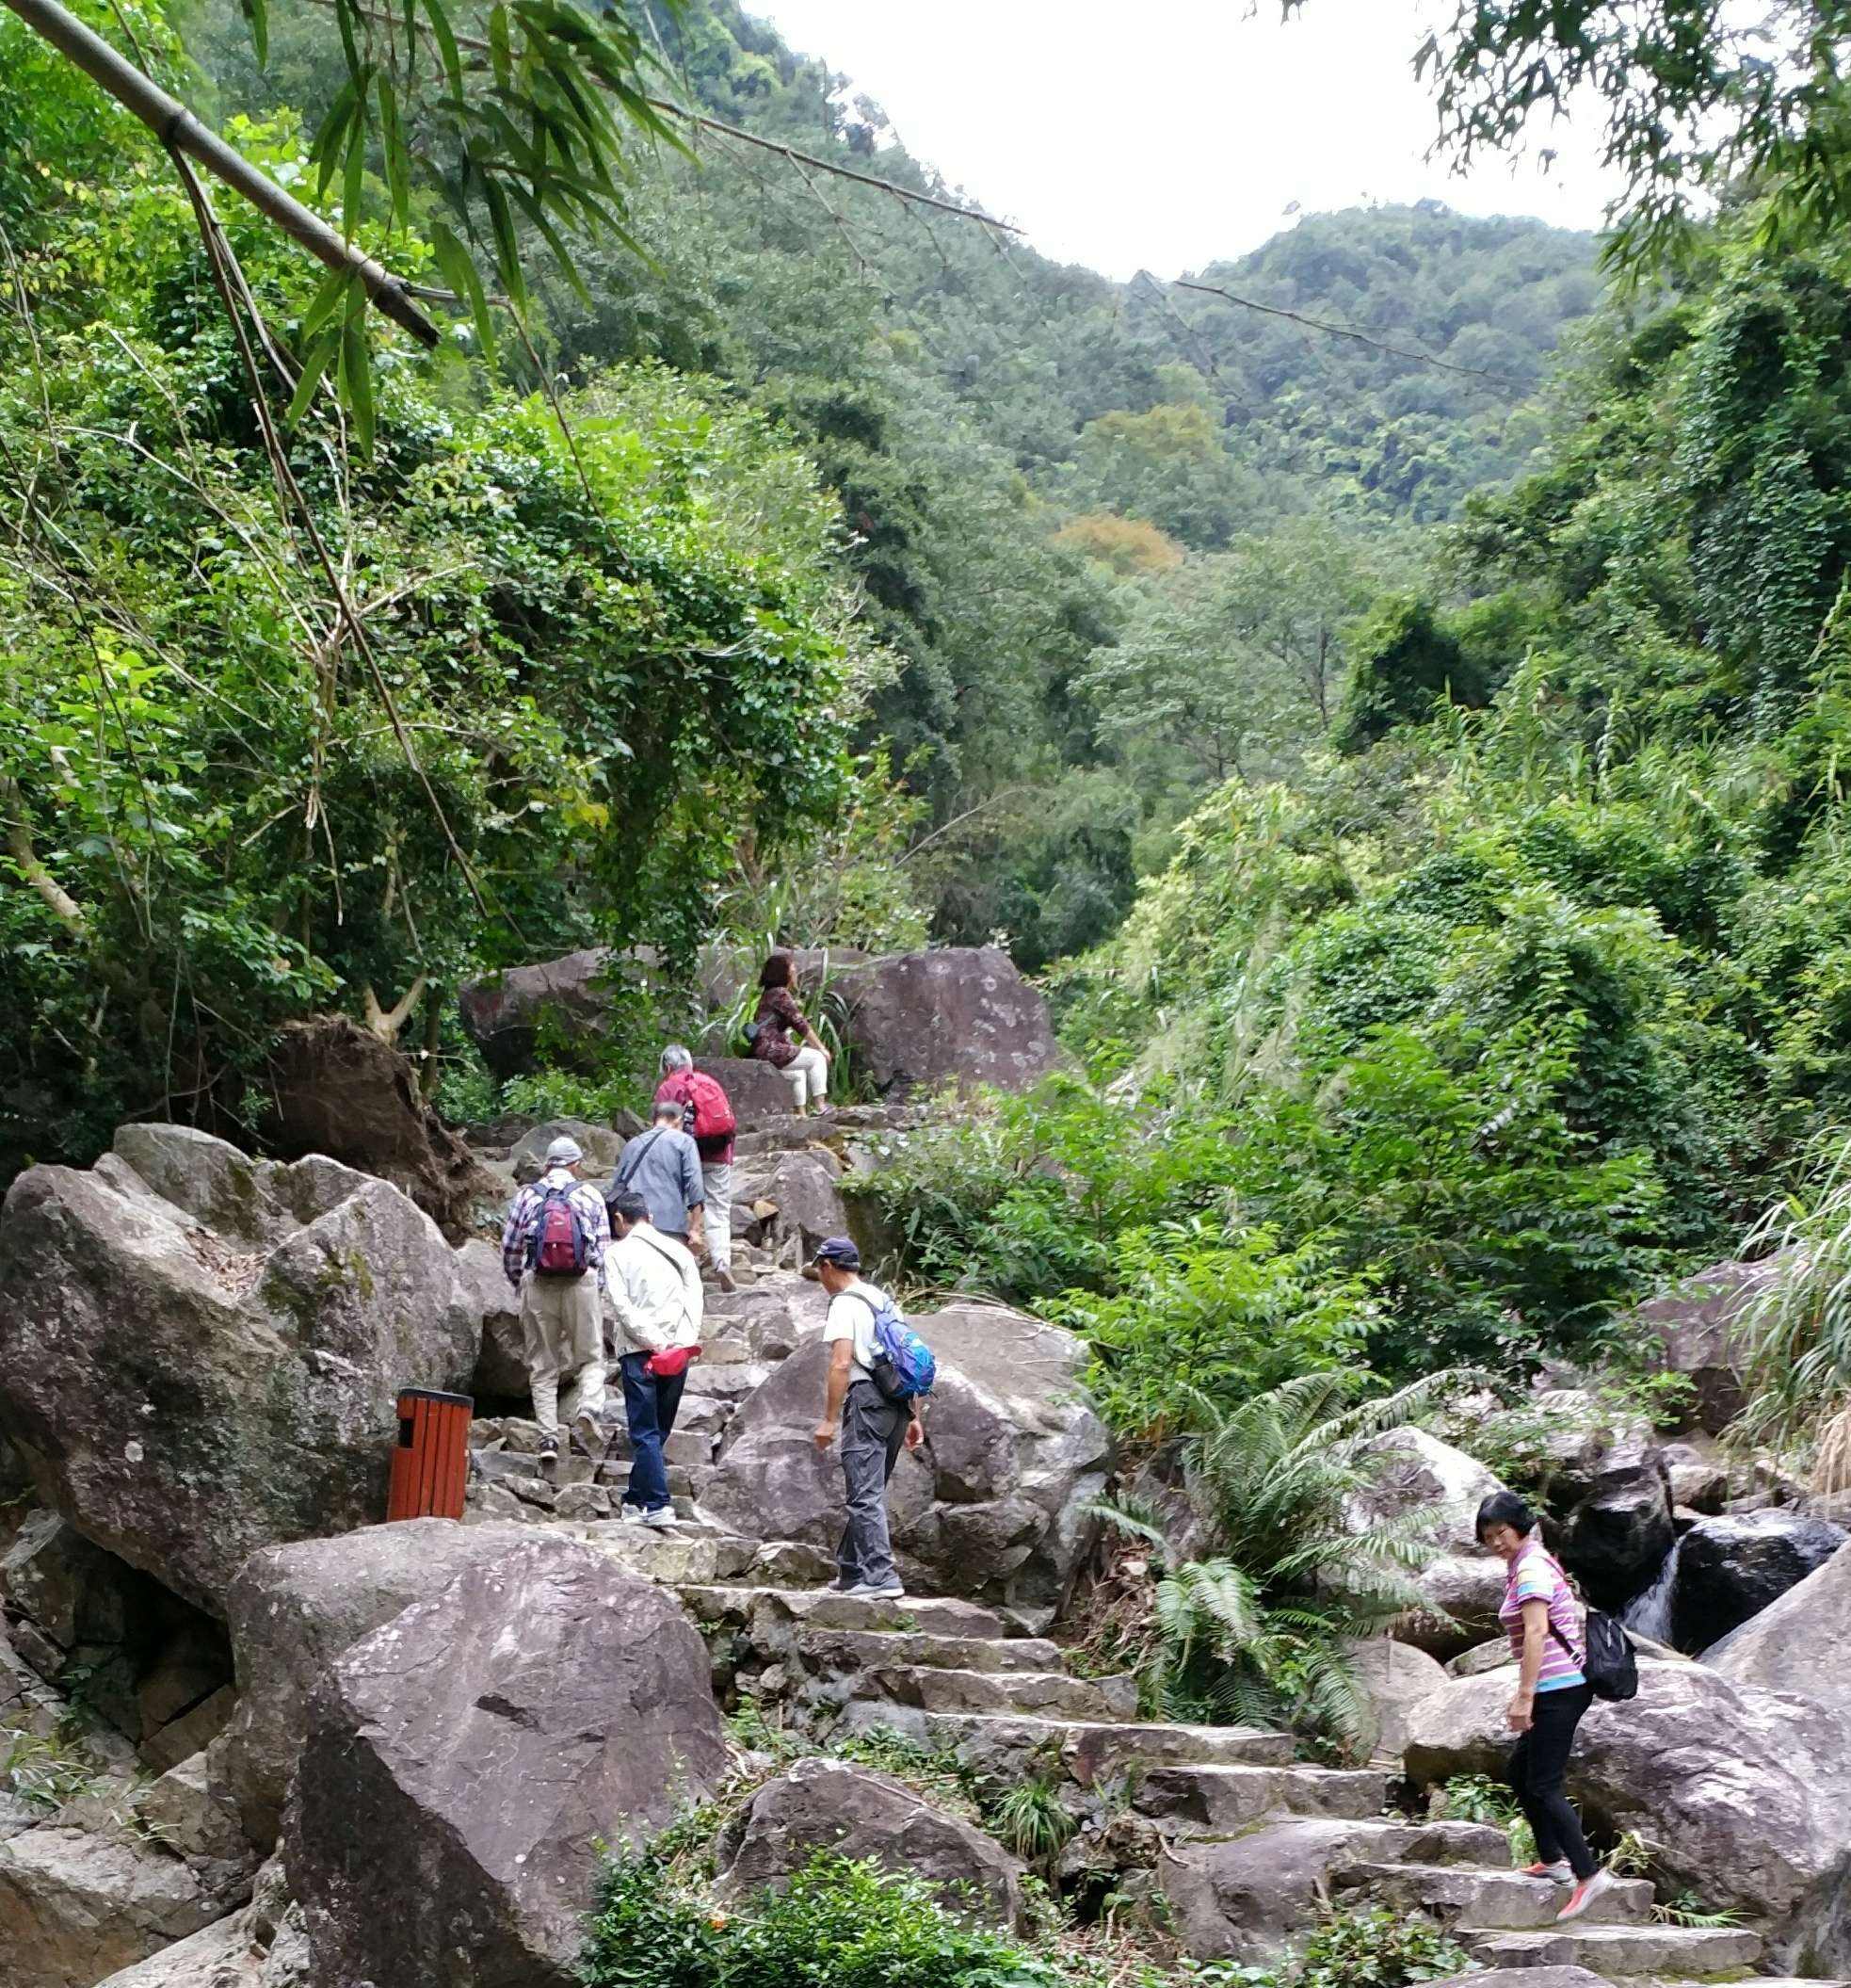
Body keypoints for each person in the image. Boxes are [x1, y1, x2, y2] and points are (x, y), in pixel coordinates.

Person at [1476, 1490, 1614, 1922]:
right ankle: (1553, 1861)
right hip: (1555, 1686)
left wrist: (1524, 1696)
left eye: (1502, 1532)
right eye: (1488, 1537)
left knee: (1544, 1784)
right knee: (1521, 1772)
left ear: (1521, 1525)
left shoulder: (1532, 1566)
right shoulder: (1525, 1564)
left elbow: (1535, 1632)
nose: (1497, 1543)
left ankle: (1589, 1876)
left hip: (1559, 1688)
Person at [810, 1236, 924, 1600]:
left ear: (828, 1266)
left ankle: (882, 1576)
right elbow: (906, 1357)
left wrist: (829, 1420)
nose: (820, 1278)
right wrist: (915, 1415)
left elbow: (842, 1362)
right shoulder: (883, 1300)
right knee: (868, 1489)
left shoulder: (844, 1303)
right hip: (898, 1403)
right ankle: (851, 1569)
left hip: (867, 1400)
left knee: (864, 1492)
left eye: (819, 1270)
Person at [498, 1135, 610, 1468]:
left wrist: (523, 1283)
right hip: (581, 1283)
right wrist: (595, 1290)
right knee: (590, 1357)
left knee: (543, 1366)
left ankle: (548, 1437)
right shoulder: (589, 1195)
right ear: (576, 1164)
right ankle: (589, 1408)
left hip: (539, 1283)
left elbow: (511, 1248)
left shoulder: (527, 1195)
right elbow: (603, 1251)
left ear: (547, 1164)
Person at [604, 1189, 703, 1527]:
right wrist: (682, 1343)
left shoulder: (617, 1254)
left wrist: (655, 1342)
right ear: (650, 1216)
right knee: (657, 1431)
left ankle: (658, 1504)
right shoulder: (680, 1251)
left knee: (645, 1432)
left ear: (619, 1219)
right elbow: (695, 1300)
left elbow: (621, 1306)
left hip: (640, 1353)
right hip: (678, 1352)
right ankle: (634, 1499)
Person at [655, 1045, 738, 1293]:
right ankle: (722, 1263)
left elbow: (662, 1131)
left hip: (685, 1157)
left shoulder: (668, 1088)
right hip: (718, 1154)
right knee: (720, 1210)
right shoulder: (708, 1082)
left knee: (682, 1206)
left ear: (668, 1067)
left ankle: (685, 1267)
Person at [608, 1099, 706, 1258]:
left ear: (654, 1120)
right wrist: (695, 1229)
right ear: (678, 1120)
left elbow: (618, 1185)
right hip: (670, 1225)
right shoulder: (684, 1141)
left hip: (634, 1225)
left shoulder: (633, 1144)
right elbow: (695, 1186)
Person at [750, 952, 831, 1116]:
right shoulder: (780, 994)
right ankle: (821, 1107)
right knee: (817, 1058)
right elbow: (800, 1024)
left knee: (797, 1074)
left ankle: (801, 1116)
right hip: (770, 1049)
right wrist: (822, 1048)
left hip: (762, 1049)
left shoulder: (768, 994)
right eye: (792, 968)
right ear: (783, 972)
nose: (795, 971)